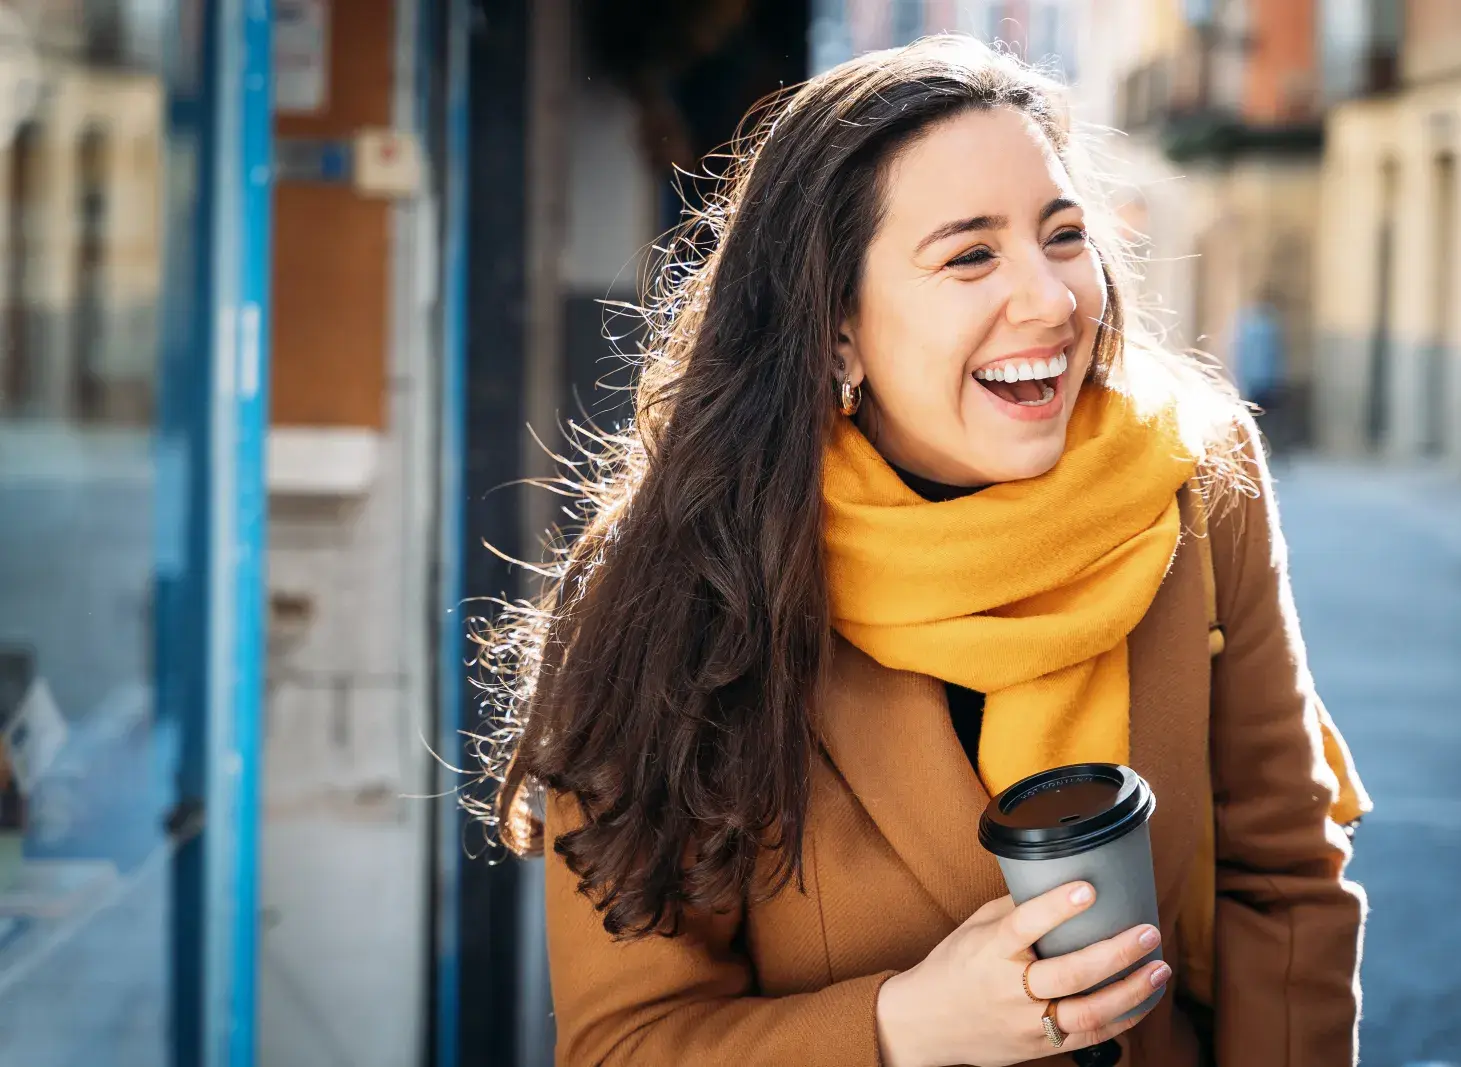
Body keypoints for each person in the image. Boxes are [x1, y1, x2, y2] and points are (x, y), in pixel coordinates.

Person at [487, 37, 1366, 1066]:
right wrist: (900, 1024)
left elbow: (1284, 879)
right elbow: (621, 1042)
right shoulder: (673, 582)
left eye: (1062, 234)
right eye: (969, 255)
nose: (1050, 299)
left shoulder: (1195, 476)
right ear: (834, 330)